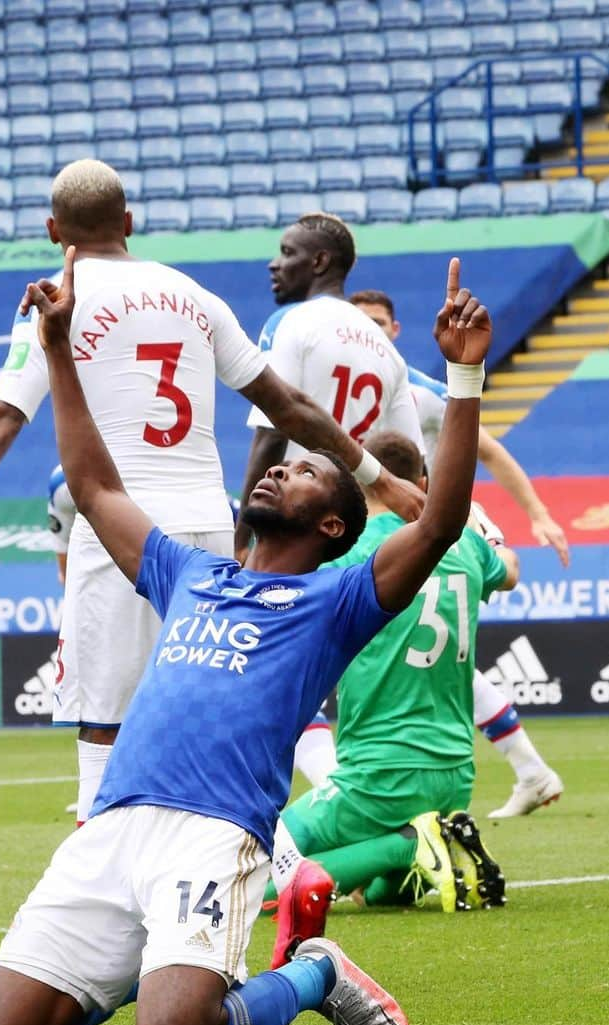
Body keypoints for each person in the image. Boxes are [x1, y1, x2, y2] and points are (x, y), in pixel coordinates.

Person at [0, 251, 491, 1025]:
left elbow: (438, 523)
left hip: (215, 833)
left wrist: (463, 380)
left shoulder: (336, 602)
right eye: (283, 460)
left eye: (309, 471)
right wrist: (59, 349)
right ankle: (153, 963)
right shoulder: (190, 570)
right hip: (116, 823)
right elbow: (95, 484)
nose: (283, 465)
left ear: (331, 529)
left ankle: (313, 969)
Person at [0, 161, 422, 826]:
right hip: (209, 537)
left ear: (54, 231)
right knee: (204, 722)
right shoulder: (194, 296)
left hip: (123, 534)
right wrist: (377, 476)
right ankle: (268, 867)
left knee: (104, 732)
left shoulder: (56, 300)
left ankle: (96, 894)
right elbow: (291, 407)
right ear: (129, 222)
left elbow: (2, 416)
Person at [267, 432, 518, 967]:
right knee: (383, 895)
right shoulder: (464, 544)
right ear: (419, 485)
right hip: (454, 773)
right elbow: (511, 571)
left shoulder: (352, 552)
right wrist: (484, 533)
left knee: (264, 863)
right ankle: (426, 843)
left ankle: (412, 841)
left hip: (379, 774)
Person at [342, 288, 564, 818]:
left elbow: (487, 448)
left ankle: (346, 790)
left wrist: (537, 512)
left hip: (435, 524)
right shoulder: (339, 387)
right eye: (359, 323)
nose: (369, 332)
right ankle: (530, 769)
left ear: (395, 331)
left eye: (378, 322)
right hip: (374, 527)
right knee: (422, 654)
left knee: (414, 649)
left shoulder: (416, 390)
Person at [233, 213, 427, 790]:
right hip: (352, 529)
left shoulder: (292, 323)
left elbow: (272, 429)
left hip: (292, 529)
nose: (275, 262)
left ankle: (315, 804)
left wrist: (245, 534)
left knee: (260, 678)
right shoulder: (388, 354)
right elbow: (411, 459)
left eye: (287, 251)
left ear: (319, 262)